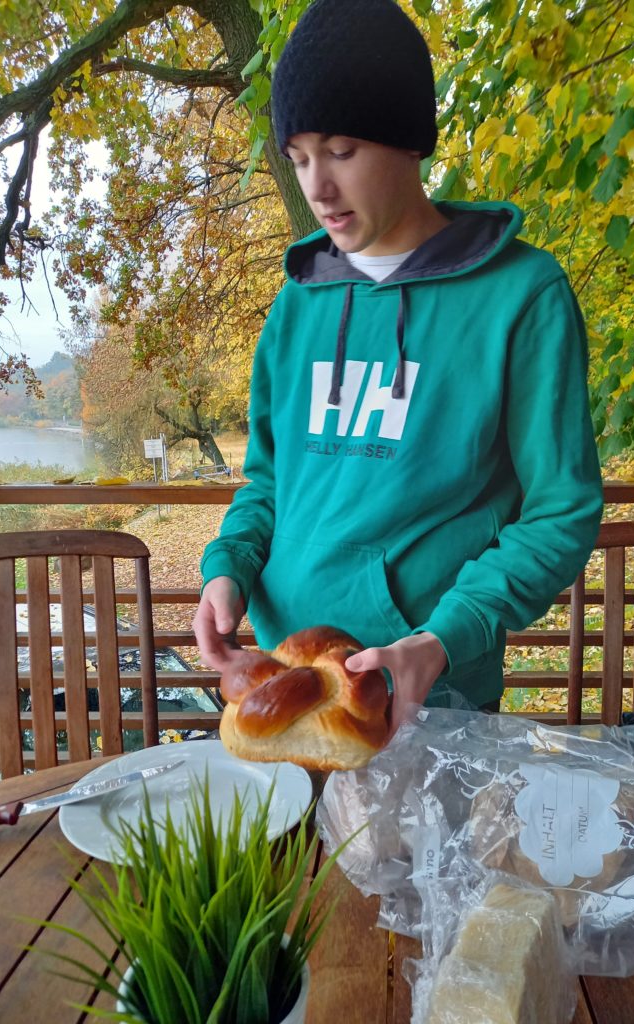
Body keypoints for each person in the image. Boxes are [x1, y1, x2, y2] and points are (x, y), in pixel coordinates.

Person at [193, 0, 603, 734]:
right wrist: (228, 567)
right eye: (299, 157)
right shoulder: (297, 305)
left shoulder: (521, 295)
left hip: (428, 693)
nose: (317, 186)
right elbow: (268, 483)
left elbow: (559, 512)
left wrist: (447, 635)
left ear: (410, 142)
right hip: (286, 679)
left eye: (341, 150)